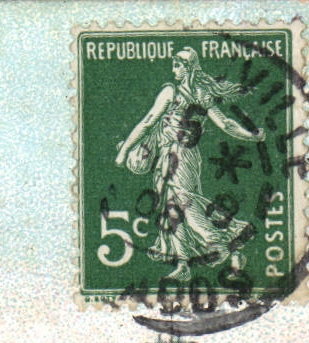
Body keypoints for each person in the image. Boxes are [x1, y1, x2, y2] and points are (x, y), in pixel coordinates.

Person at [114, 49, 266, 282]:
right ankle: (186, 263)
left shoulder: (171, 92)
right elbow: (225, 124)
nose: (173, 70)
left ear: (188, 68)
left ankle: (217, 241)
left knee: (184, 202)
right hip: (176, 156)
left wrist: (125, 150)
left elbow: (147, 122)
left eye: (176, 66)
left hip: (179, 157)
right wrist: (251, 136)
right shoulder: (201, 93)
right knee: (171, 208)